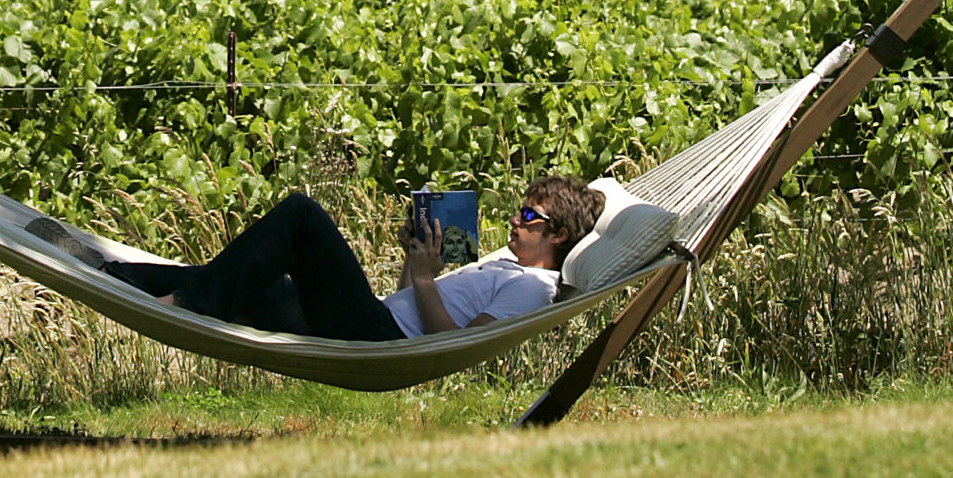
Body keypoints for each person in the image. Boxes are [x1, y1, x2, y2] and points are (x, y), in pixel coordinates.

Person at [106, 175, 603, 341]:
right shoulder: (505, 264)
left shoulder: (535, 288)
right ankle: (111, 273)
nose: (515, 220)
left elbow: (451, 342)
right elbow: (416, 301)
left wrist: (429, 279)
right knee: (240, 278)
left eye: (528, 215)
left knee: (302, 216)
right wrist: (415, 259)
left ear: (557, 235)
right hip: (380, 321)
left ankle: (190, 303)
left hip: (378, 336)